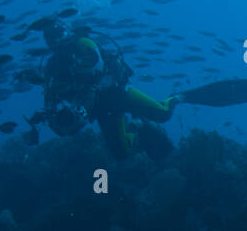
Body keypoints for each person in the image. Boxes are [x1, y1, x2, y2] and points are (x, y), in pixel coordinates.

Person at [34, 19, 178, 158]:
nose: (57, 41)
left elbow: (97, 66)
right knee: (122, 153)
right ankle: (138, 124)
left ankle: (177, 97)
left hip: (119, 93)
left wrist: (76, 81)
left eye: (58, 35)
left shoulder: (83, 44)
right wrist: (59, 120)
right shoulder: (51, 68)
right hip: (102, 110)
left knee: (163, 114)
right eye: (52, 38)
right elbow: (49, 102)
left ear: (66, 32)